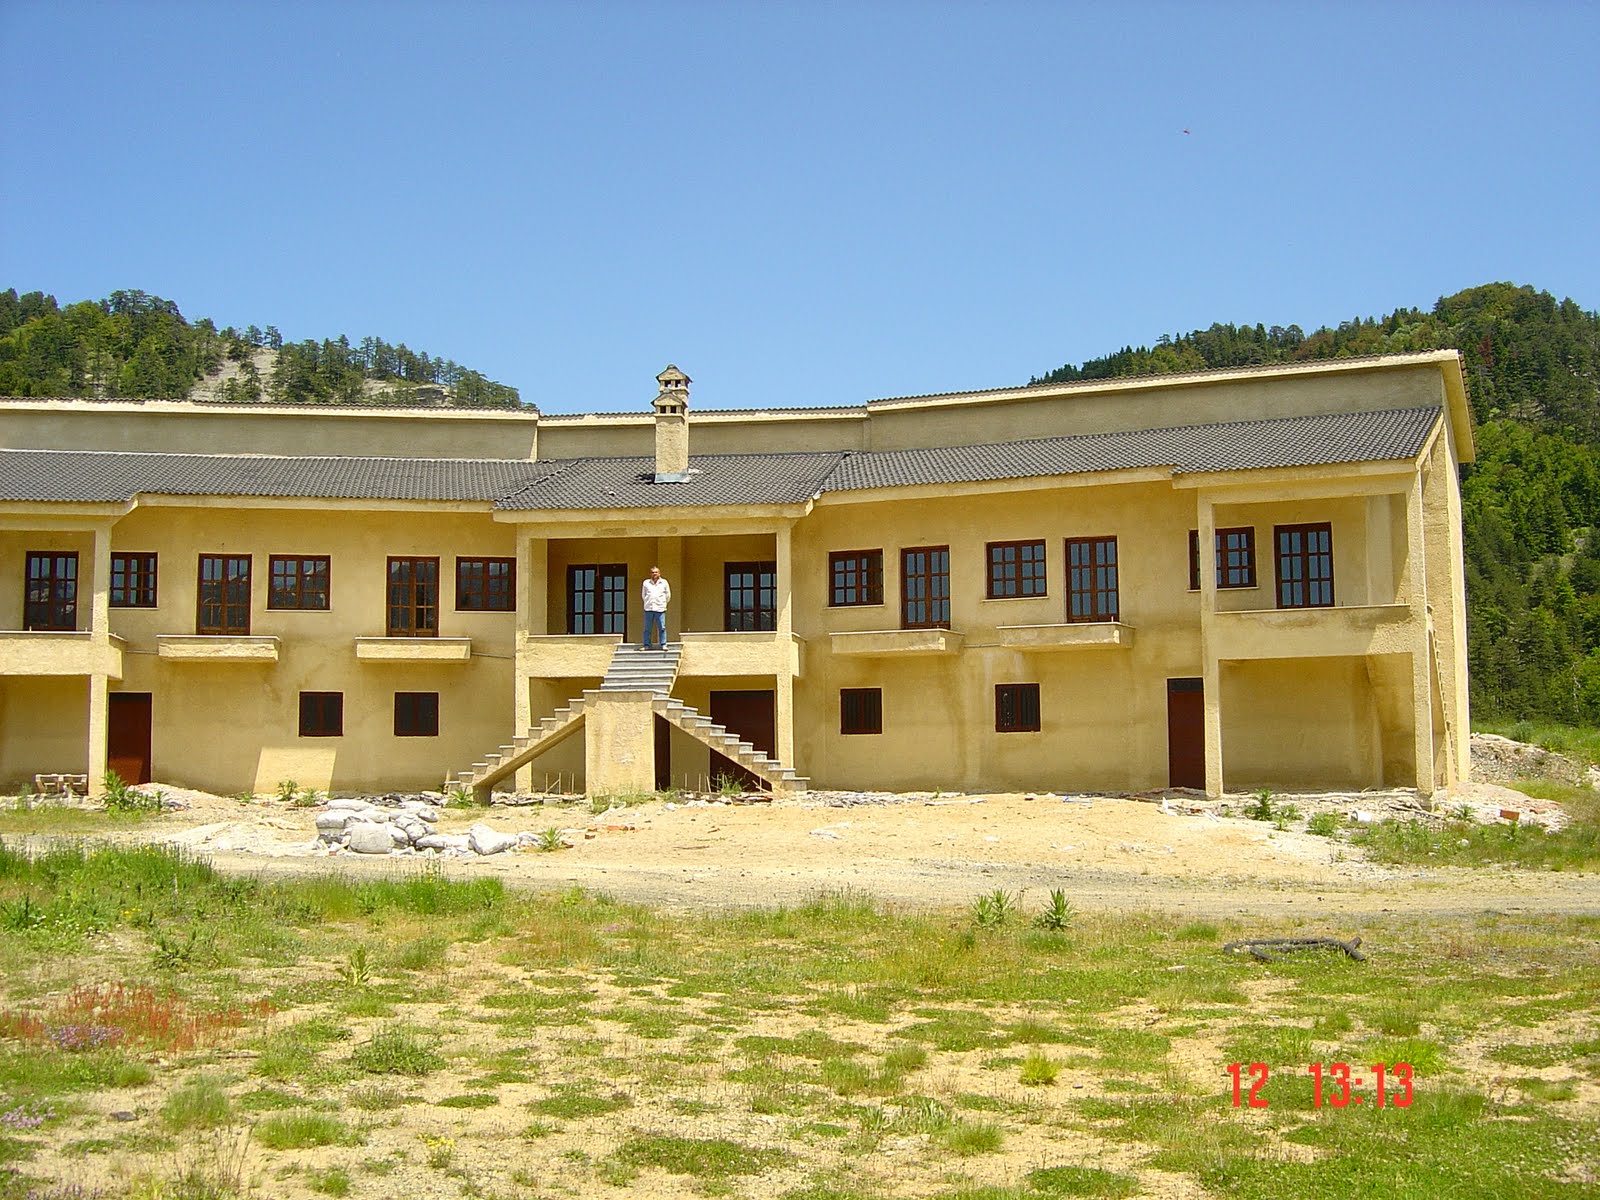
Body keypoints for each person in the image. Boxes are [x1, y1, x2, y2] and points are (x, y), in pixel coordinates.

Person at [641, 565, 671, 649]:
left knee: (662, 627)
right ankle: (646, 645)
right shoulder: (646, 583)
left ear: (659, 573)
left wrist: (663, 604)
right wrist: (648, 602)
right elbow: (643, 595)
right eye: (653, 572)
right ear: (650, 574)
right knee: (647, 628)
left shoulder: (664, 582)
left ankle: (663, 644)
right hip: (649, 608)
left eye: (656, 572)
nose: (654, 574)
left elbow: (668, 595)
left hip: (660, 608)